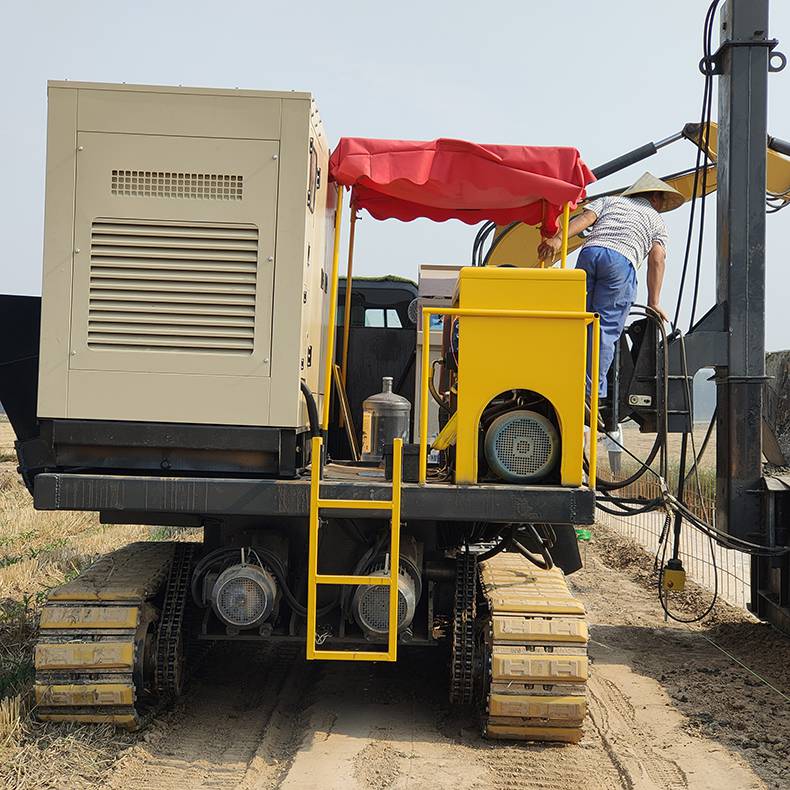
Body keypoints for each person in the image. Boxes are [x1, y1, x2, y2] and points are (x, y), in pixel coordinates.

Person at [537, 172, 685, 397]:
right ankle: (589, 394)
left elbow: (583, 220)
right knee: (603, 330)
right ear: (654, 197)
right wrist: (653, 302)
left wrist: (557, 240)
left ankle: (563, 380)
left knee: (578, 321)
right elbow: (657, 259)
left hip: (590, 253)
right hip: (620, 262)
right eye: (661, 201)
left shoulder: (611, 201)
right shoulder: (655, 219)